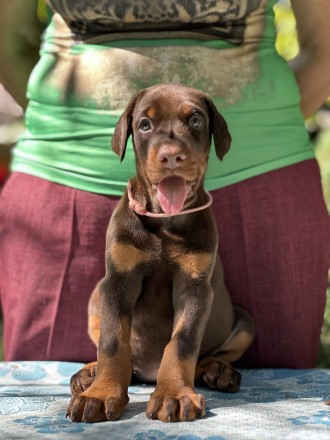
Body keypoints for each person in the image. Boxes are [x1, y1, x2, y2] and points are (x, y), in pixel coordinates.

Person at [0, 0, 329, 368]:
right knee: (55, 406)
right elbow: (7, 39)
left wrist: (255, 130)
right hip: (63, 185)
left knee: (277, 402)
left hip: (266, 183)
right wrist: (70, 128)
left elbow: (324, 46)